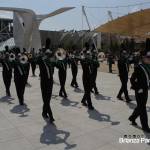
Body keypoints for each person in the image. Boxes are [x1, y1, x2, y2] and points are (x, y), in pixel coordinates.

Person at [129, 51, 150, 133]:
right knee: (143, 108)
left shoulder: (148, 67)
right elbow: (132, 79)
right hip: (140, 91)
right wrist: (137, 88)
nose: (149, 59)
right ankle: (145, 126)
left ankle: (132, 118)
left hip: (145, 90)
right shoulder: (139, 67)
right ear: (143, 58)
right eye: (148, 58)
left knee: (141, 106)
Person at [36, 49, 55, 123]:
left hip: (50, 82)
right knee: (46, 100)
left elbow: (57, 61)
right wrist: (41, 55)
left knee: (48, 99)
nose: (49, 56)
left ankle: (44, 112)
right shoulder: (41, 62)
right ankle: (51, 116)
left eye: (49, 55)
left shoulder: (50, 62)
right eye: (47, 55)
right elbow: (36, 60)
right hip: (44, 83)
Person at [80, 43, 94, 110]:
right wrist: (87, 60)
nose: (88, 55)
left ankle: (83, 100)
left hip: (90, 76)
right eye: (87, 54)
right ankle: (90, 105)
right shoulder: (83, 61)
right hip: (85, 77)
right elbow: (84, 65)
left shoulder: (89, 59)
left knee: (87, 90)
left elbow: (93, 65)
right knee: (88, 91)